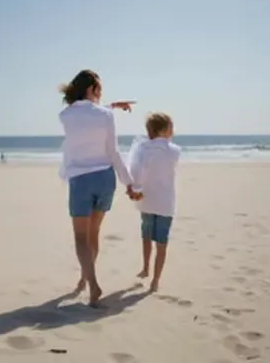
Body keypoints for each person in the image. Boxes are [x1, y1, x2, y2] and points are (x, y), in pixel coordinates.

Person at [58, 69, 136, 307]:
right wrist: (129, 182)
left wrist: (108, 105)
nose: (102, 94)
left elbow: (84, 115)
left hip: (80, 180)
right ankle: (86, 277)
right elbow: (113, 152)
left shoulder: (65, 115)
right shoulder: (105, 116)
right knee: (93, 234)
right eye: (100, 89)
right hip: (104, 179)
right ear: (92, 89)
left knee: (81, 237)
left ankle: (91, 283)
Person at [128, 112, 181, 292]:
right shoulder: (174, 150)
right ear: (166, 130)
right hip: (165, 203)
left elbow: (136, 170)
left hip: (147, 200)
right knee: (161, 242)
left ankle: (145, 268)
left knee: (146, 236)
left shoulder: (142, 149)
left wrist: (136, 189)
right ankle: (156, 280)